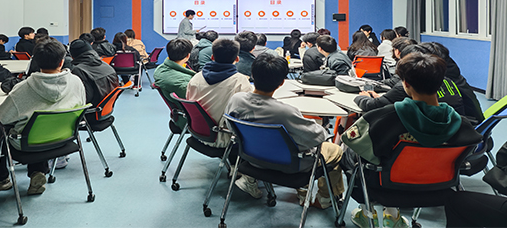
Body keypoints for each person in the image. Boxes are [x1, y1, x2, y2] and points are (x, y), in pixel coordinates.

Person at [342, 52, 482, 228]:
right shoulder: (461, 124)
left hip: (387, 187)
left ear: (406, 84)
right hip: (438, 187)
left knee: (352, 156)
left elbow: (356, 142)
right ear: (440, 83)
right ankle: (392, 216)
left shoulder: (388, 117)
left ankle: (367, 214)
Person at [226, 53, 344, 208]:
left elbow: (231, 128)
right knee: (335, 150)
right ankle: (324, 199)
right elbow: (318, 137)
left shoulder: (236, 99)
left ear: (252, 75)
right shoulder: (285, 113)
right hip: (289, 165)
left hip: (252, 159)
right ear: (282, 82)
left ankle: (304, 192)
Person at [0, 38, 85, 196]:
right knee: (43, 122)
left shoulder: (23, 88)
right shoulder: (76, 82)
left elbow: (2, 117)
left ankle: (0, 179)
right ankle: (38, 171)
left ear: (35, 61)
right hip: (64, 137)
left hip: (29, 143)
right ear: (62, 62)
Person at [355, 44, 466, 117]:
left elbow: (372, 106)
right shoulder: (449, 82)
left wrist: (364, 97)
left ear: (406, 83)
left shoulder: (402, 112)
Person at [186, 38, 252, 148]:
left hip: (196, 133)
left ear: (212, 57)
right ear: (237, 59)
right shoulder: (240, 82)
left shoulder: (195, 78)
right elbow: (247, 114)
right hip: (224, 138)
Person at [153, 38, 196, 129]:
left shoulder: (160, 69)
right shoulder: (183, 83)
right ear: (188, 56)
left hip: (179, 116)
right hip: (190, 120)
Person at [69, 39, 119, 107]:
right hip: (107, 107)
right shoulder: (107, 66)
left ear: (72, 57)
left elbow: (85, 98)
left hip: (92, 109)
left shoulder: (78, 70)